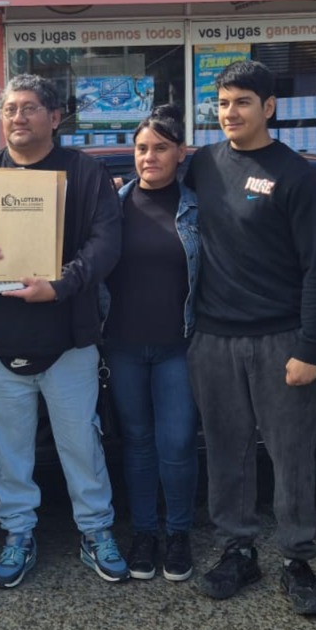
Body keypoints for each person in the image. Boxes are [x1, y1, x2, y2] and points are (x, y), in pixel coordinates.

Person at [0, 73, 127, 587]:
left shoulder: (84, 172)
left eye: (29, 108)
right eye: (10, 108)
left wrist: (61, 285)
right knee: (6, 451)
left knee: (81, 445)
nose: (17, 117)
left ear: (54, 117)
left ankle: (95, 530)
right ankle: (18, 533)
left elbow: (106, 243)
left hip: (68, 341)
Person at [184, 59, 316, 617]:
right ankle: (237, 550)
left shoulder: (295, 175)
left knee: (292, 455)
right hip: (213, 338)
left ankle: (297, 559)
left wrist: (310, 347)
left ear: (268, 107)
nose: (230, 113)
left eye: (242, 102)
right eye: (223, 103)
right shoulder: (203, 164)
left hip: (281, 338)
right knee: (227, 451)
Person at [102, 104, 199, 582]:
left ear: (180, 152)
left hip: (177, 347)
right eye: (142, 148)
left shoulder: (197, 208)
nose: (149, 157)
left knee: (176, 444)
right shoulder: (113, 206)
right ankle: (144, 532)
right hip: (123, 347)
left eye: (161, 148)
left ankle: (178, 533)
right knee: (137, 443)